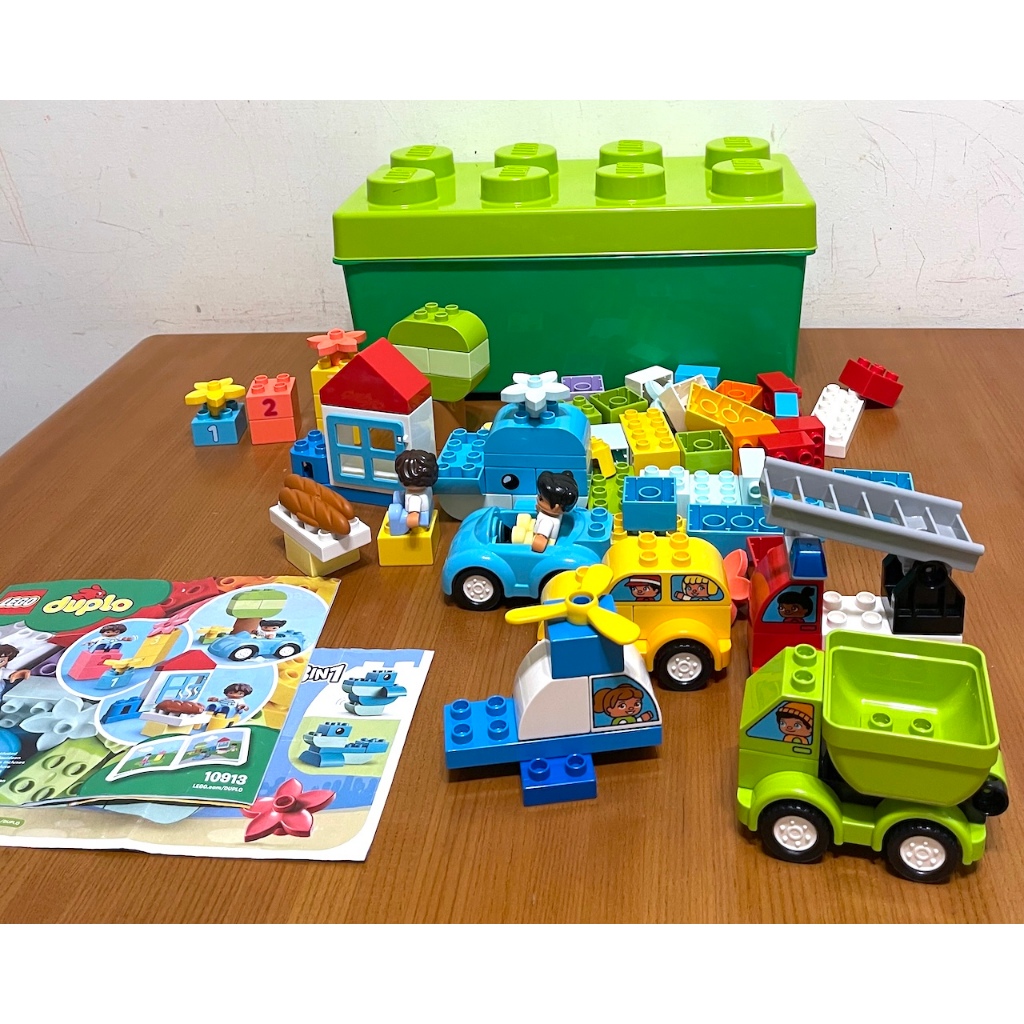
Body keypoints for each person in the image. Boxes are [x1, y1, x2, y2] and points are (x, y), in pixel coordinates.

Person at [388, 449, 439, 536]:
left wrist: (403, 521)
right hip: (429, 515)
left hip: (419, 527)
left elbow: (413, 519)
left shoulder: (414, 498)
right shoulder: (427, 489)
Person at [531, 469, 579, 553]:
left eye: (541, 499)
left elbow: (539, 544)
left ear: (556, 507)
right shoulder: (557, 514)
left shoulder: (547, 521)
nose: (537, 498)